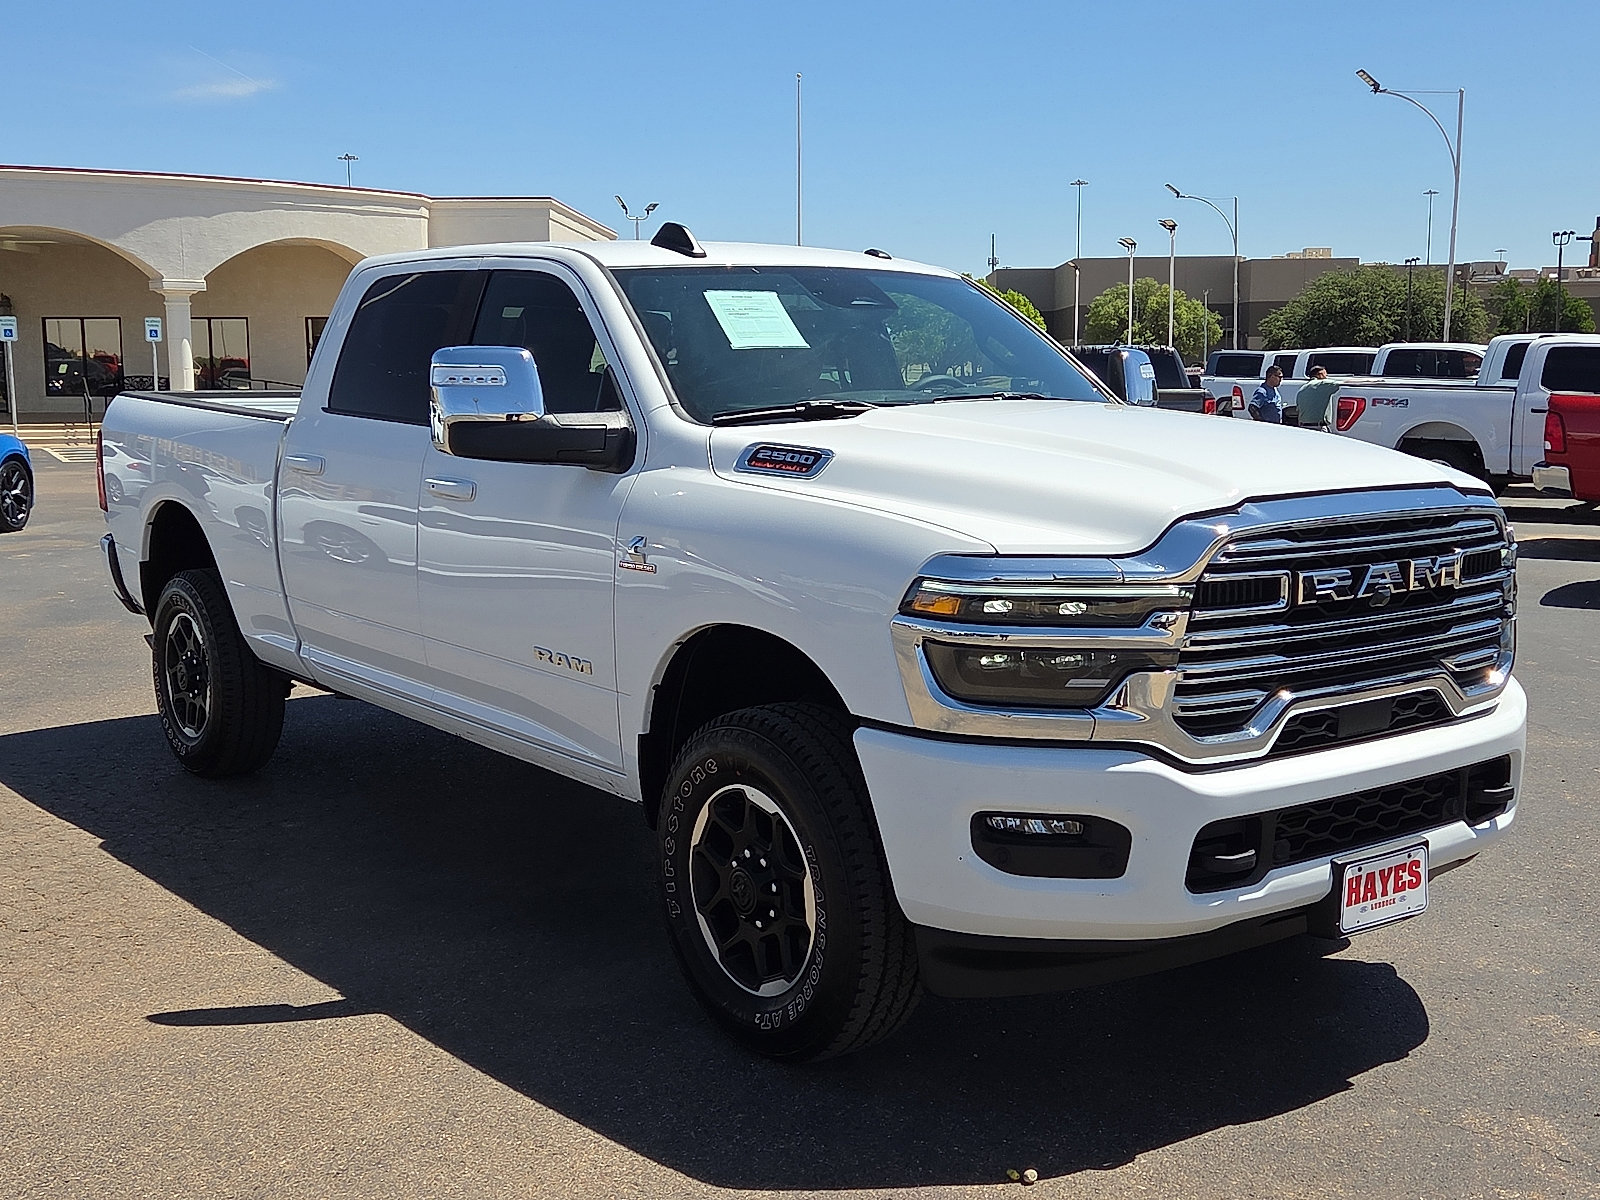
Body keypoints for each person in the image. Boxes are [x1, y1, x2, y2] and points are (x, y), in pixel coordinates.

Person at [1295, 365, 1340, 432]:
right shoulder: (1322, 384)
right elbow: (1342, 384)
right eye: (1325, 376)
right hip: (1318, 427)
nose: (1326, 378)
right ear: (1320, 375)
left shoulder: (1302, 389)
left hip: (1303, 427)